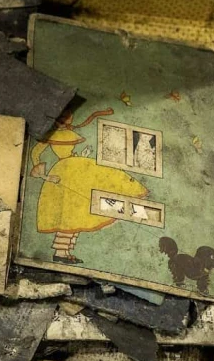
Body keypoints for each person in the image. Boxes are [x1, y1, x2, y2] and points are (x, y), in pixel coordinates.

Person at [29, 108, 148, 264]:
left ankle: (65, 252)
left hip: (76, 167)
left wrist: (82, 156)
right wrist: (45, 175)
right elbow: (35, 153)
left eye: (69, 117)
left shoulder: (71, 131)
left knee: (79, 212)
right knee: (68, 215)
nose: (67, 120)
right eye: (63, 118)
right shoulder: (50, 134)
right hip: (63, 173)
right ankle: (60, 252)